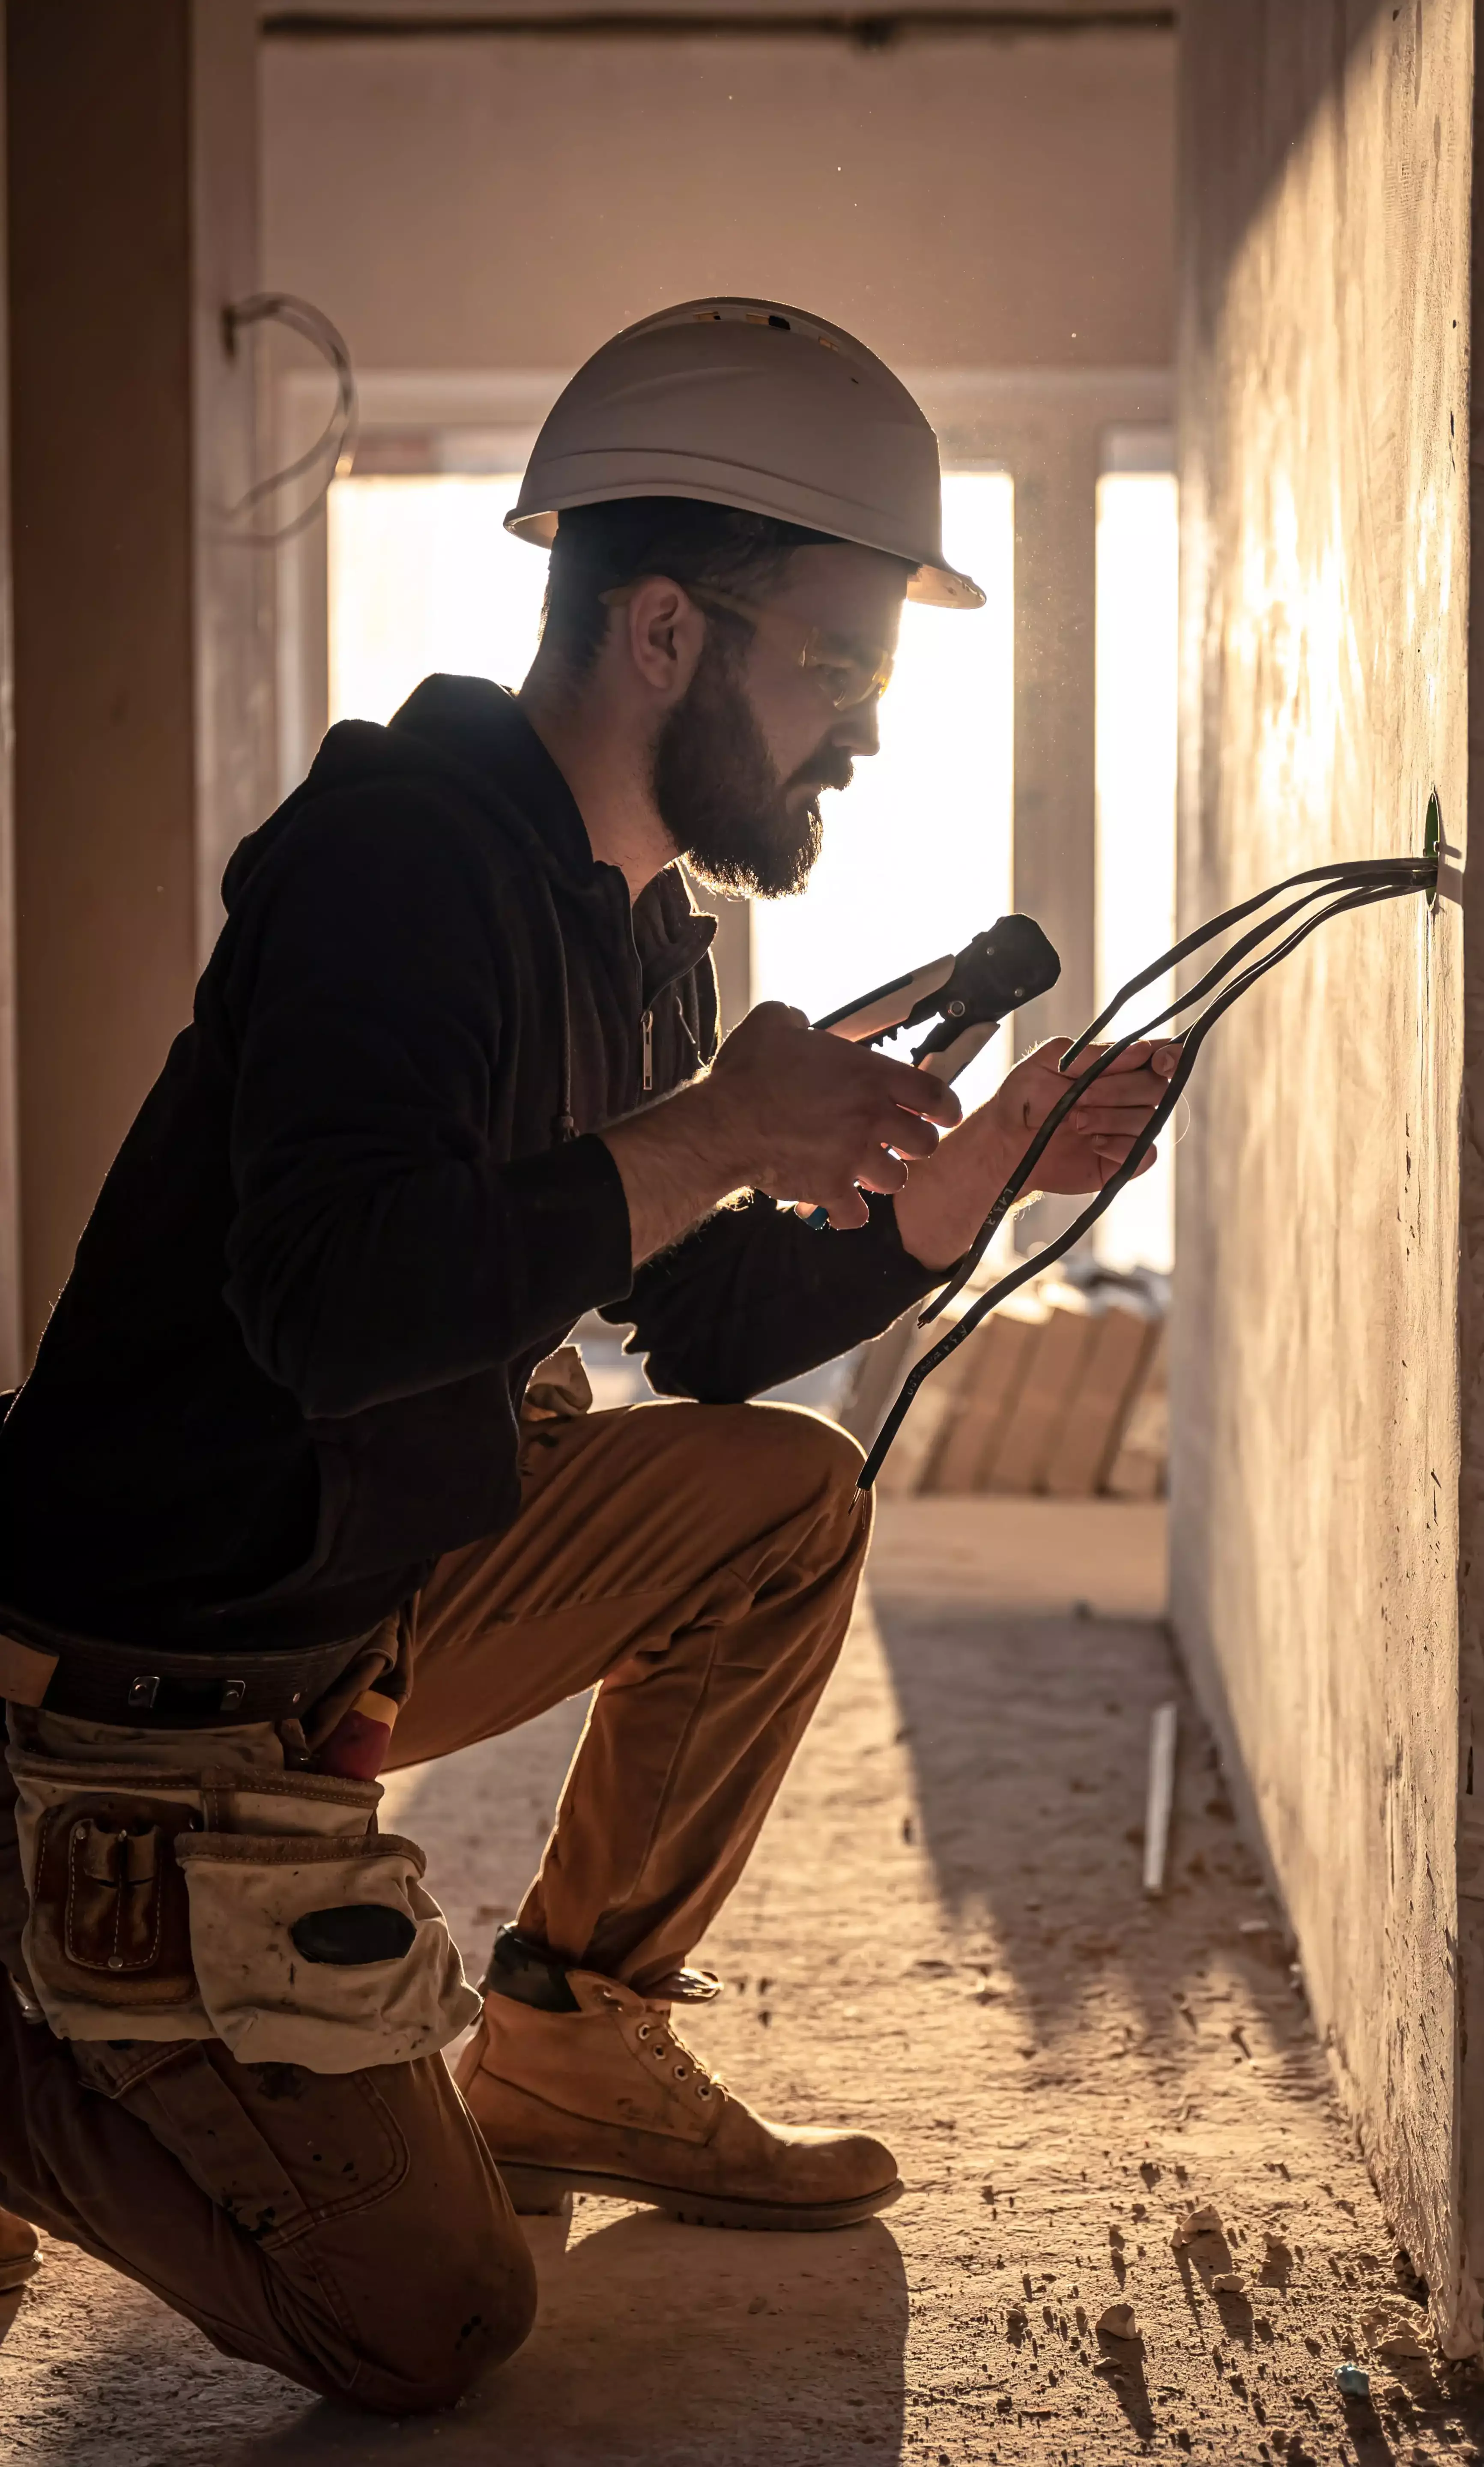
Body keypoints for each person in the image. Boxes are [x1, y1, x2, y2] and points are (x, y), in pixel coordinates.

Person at [0, 297, 1175, 2410]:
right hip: (153, 1661)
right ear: (661, 634)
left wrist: (958, 1178)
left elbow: (693, 1321)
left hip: (357, 1595)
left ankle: (571, 2039)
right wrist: (719, 1123)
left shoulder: (632, 920)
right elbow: (335, 1301)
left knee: (780, 1498)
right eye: (837, 663)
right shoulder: (398, 862)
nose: (867, 730)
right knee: (428, 2317)